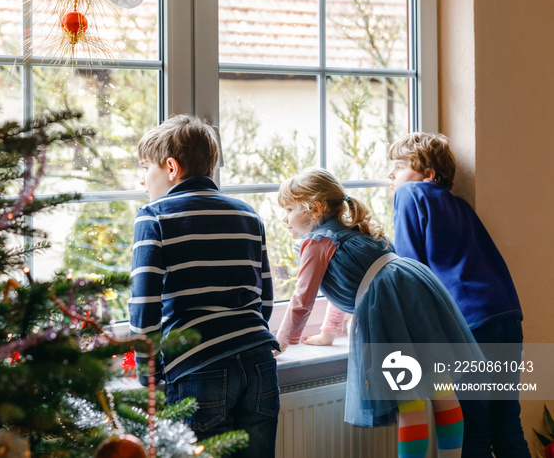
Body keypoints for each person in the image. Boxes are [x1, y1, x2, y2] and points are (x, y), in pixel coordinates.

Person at [275, 167, 481, 458]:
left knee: (409, 400)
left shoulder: (317, 242)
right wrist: (327, 332)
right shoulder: (358, 232)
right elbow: (350, 288)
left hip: (390, 310)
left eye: (289, 208)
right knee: (441, 391)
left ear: (316, 207)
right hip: (419, 294)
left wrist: (283, 341)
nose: (285, 217)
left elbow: (302, 300)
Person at [129, 114, 280, 458]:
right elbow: (265, 297)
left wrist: (146, 373)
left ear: (170, 167)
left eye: (146, 168)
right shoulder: (248, 214)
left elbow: (144, 305)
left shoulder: (154, 216)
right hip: (259, 362)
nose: (142, 180)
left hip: (199, 368)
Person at [388, 132, 529, 457]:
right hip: (506, 316)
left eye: (398, 166)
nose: (391, 176)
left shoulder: (410, 194)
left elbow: (411, 272)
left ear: (428, 173)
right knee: (508, 427)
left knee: (475, 432)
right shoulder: (459, 205)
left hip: (471, 327)